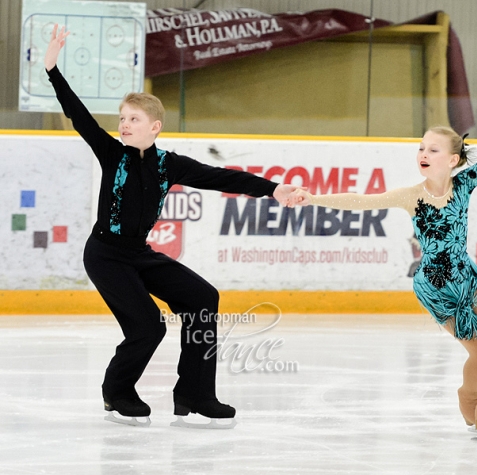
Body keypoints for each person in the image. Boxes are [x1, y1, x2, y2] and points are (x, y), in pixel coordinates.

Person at [44, 25, 298, 427]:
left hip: (139, 255)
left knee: (203, 298)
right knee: (147, 326)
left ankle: (195, 393)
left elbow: (222, 177)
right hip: (106, 254)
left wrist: (274, 189)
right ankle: (118, 391)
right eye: (123, 118)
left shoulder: (169, 164)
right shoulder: (113, 154)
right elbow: (79, 115)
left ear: (155, 126)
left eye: (134, 119)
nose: (124, 124)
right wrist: (53, 69)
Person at [292, 87, 477, 441]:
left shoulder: (465, 184)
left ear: (452, 160)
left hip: (465, 275)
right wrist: (313, 197)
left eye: (432, 149)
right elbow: (360, 201)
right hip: (437, 285)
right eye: (421, 147)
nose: (423, 154)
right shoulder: (411, 196)